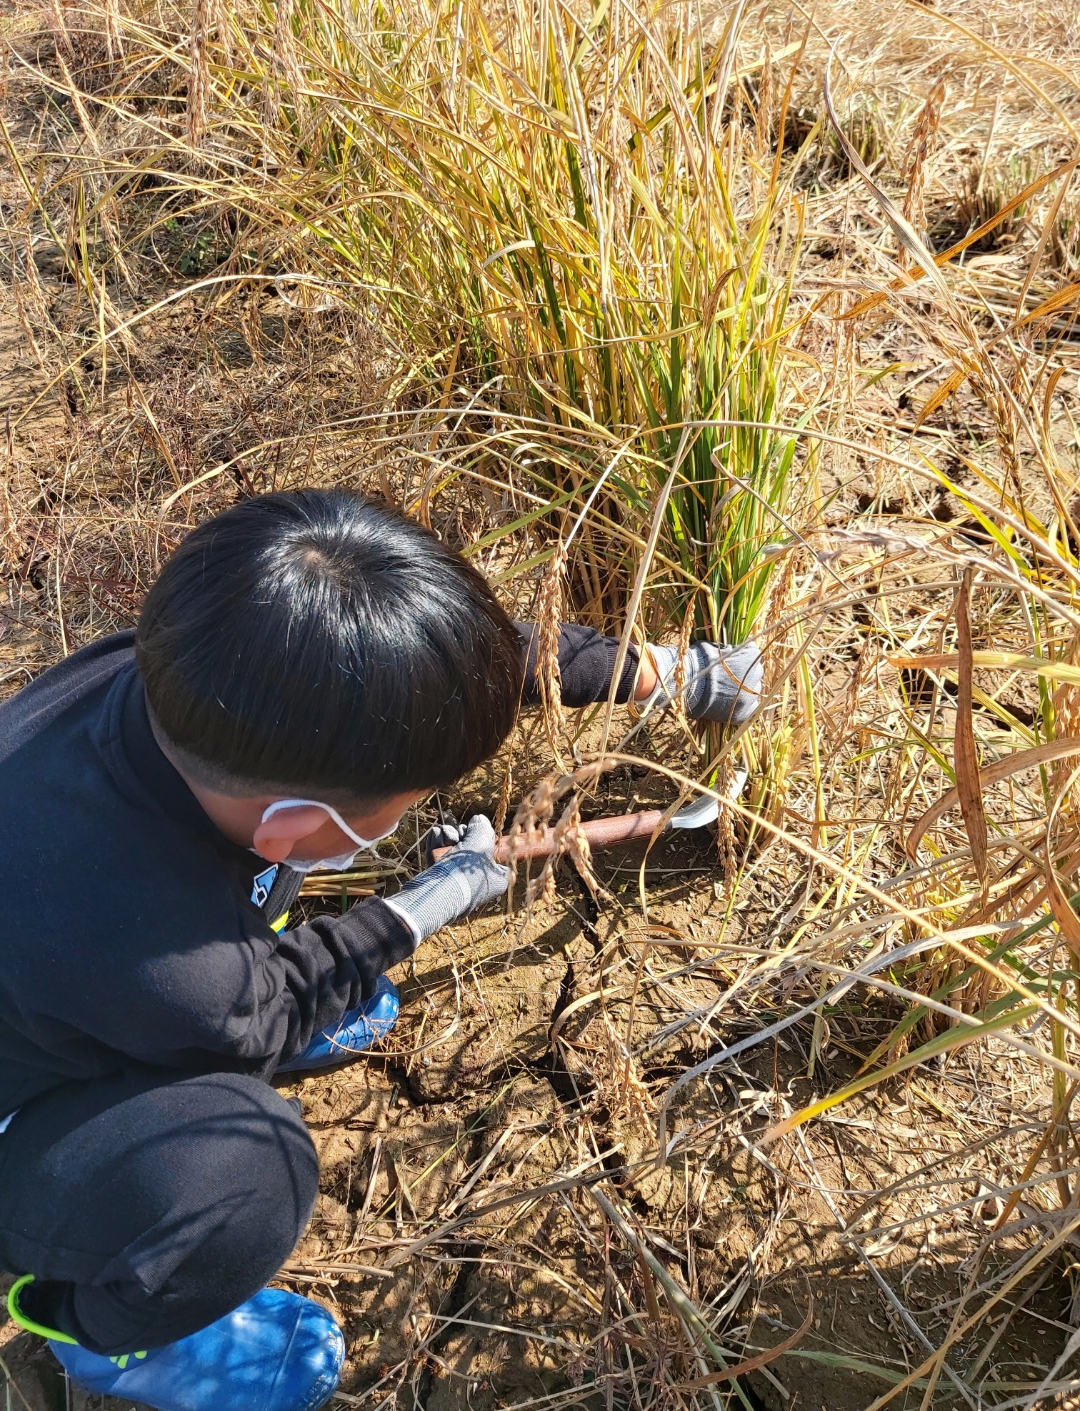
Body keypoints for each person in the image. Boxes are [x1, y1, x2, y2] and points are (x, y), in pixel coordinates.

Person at [0, 489, 761, 1411]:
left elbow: (438, 676)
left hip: (73, 982)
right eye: (408, 798)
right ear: (290, 827)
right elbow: (259, 1010)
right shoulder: (166, 959)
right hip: (28, 1103)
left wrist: (672, 673)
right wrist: (423, 906)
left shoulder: (194, 669)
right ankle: (100, 1335)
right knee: (248, 1170)